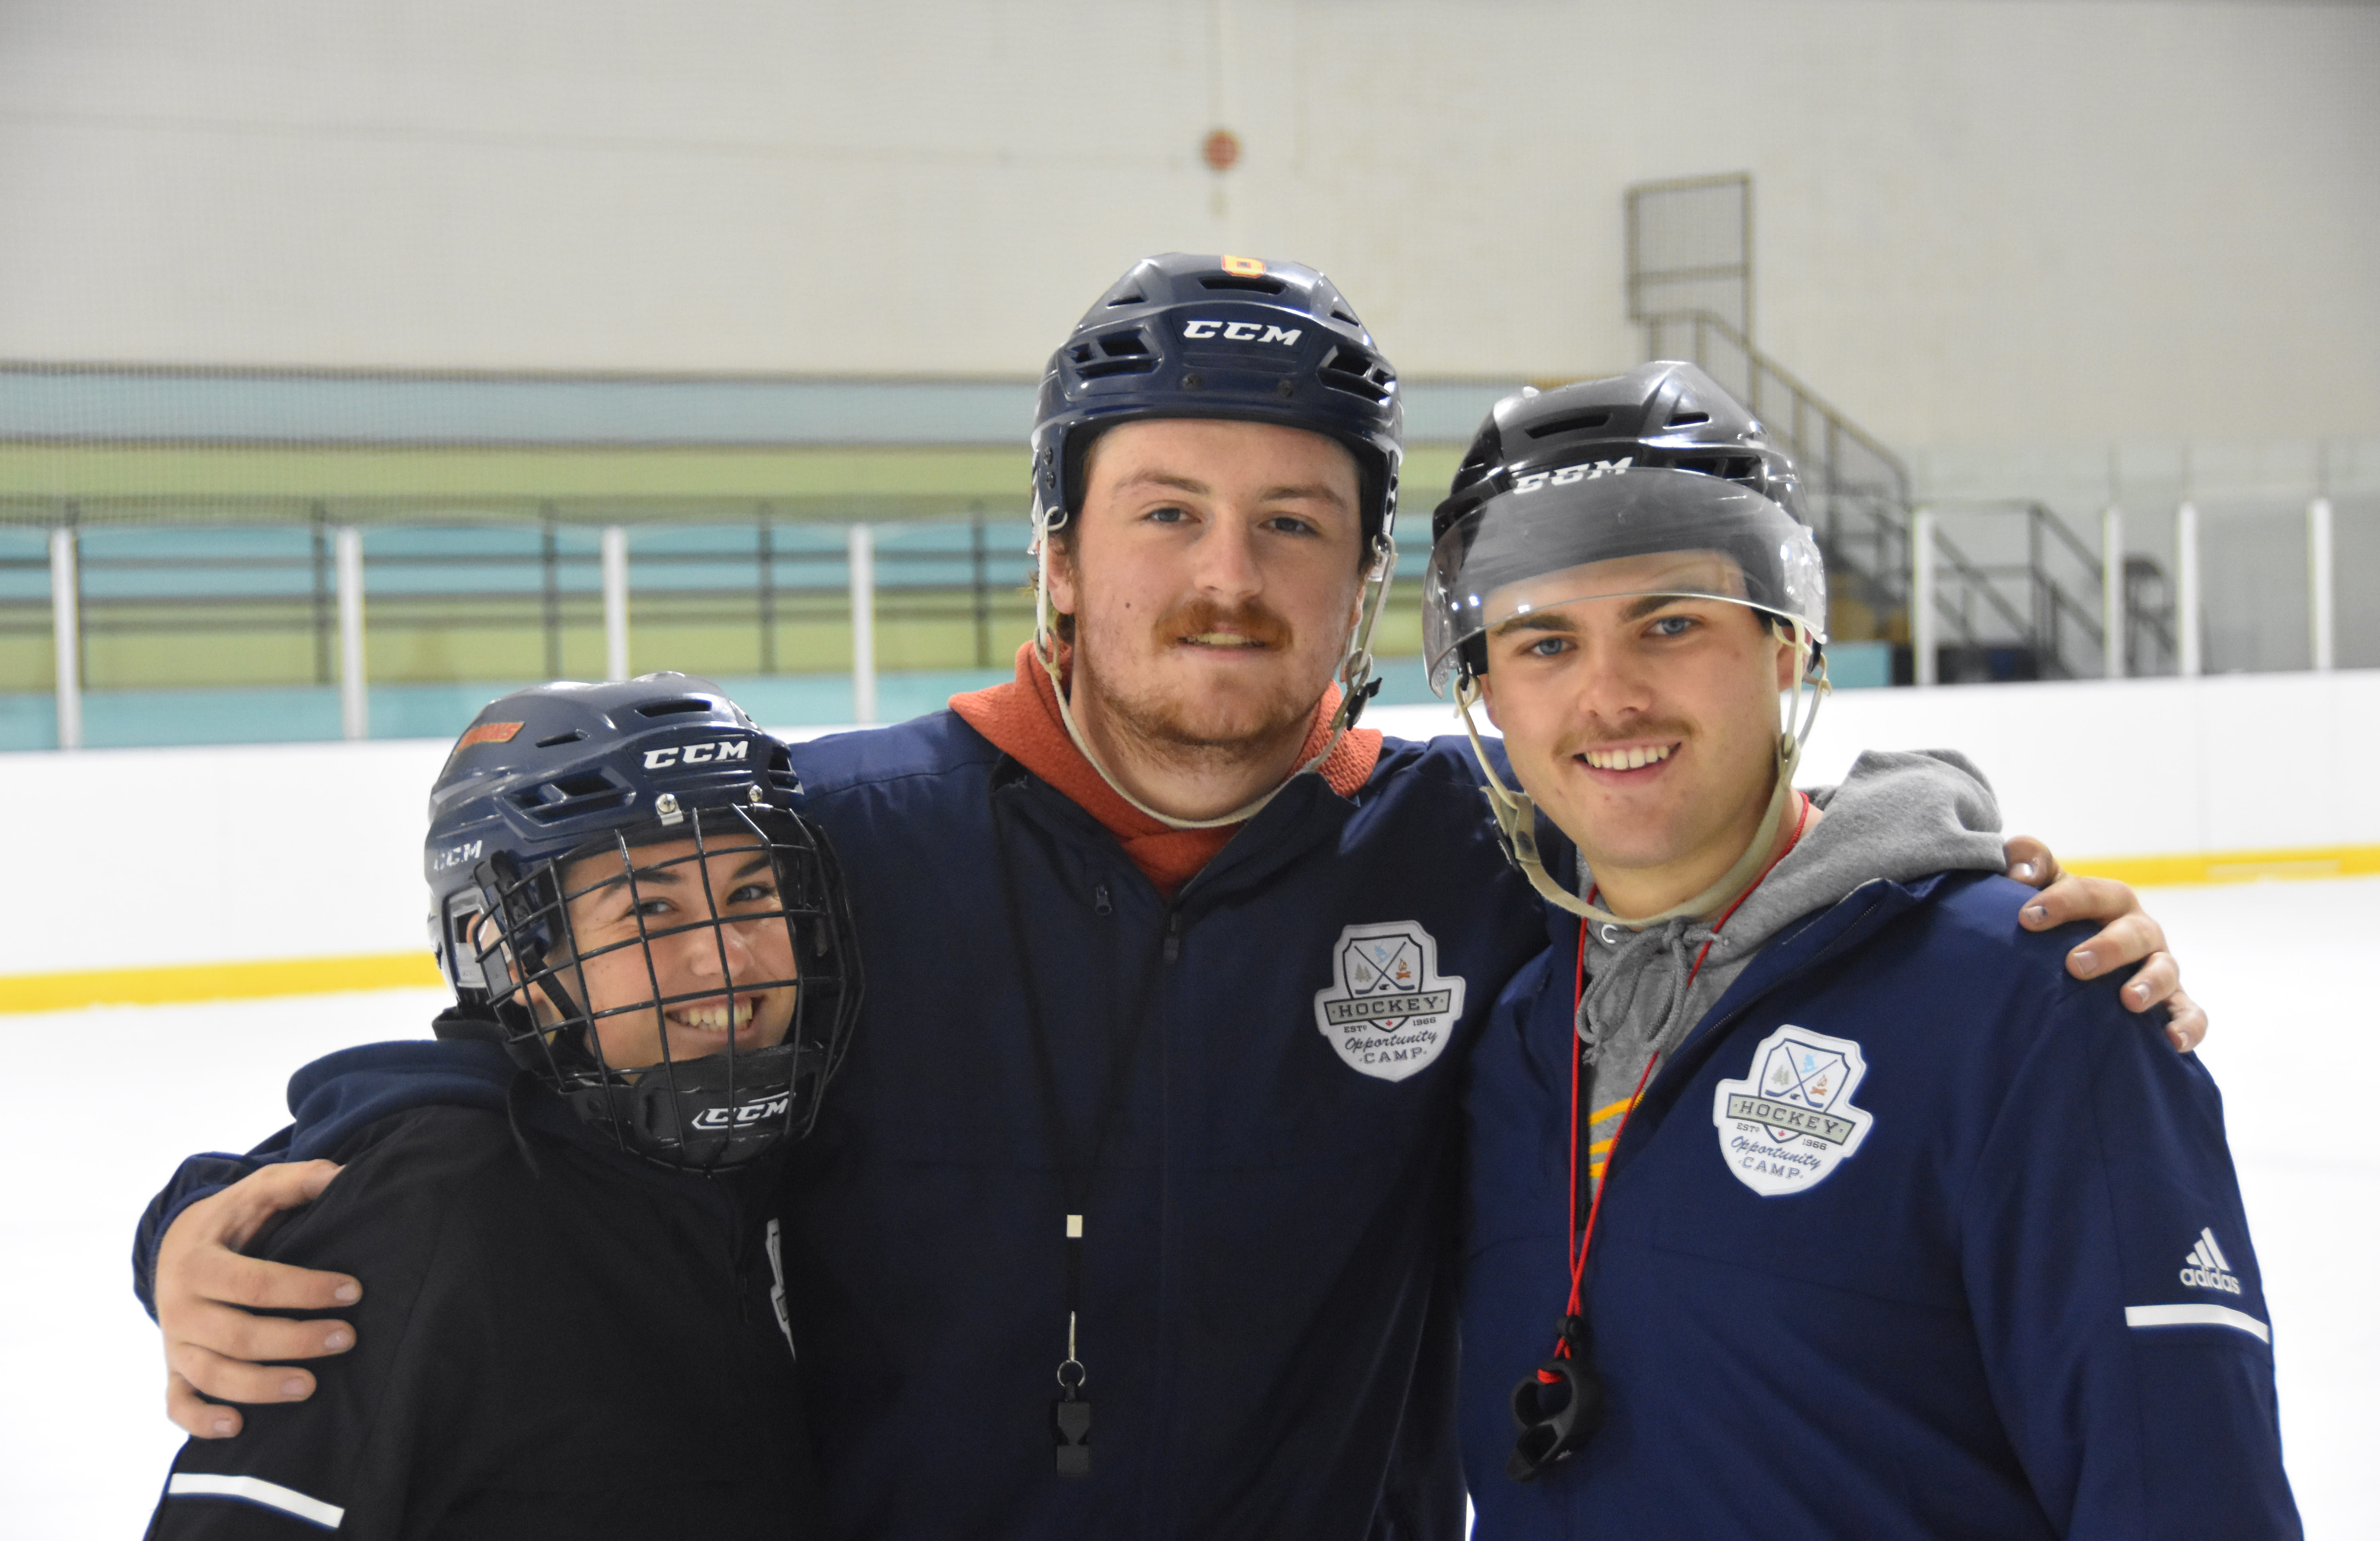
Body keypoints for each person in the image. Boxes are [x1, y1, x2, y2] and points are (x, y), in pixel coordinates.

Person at [133, 257, 2198, 1541]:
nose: (1230, 572)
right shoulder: (839, 840)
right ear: (1055, 555)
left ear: (1368, 584)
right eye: (1168, 513)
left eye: (1294, 522)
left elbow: (1741, 859)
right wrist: (224, 1206)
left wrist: (1987, 910)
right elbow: (561, 1068)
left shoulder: (1478, 852)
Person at [1435, 366, 2299, 1537]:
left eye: (1672, 624)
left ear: (1785, 645)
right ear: (1486, 694)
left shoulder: (2033, 1003)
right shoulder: (1513, 1033)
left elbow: (2188, 1496)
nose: (1611, 696)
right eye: (1544, 644)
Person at [144, 675, 862, 1538]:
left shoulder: (780, 1148)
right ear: (505, 950)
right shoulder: (426, 1215)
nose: (728, 956)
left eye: (752, 893)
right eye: (650, 908)